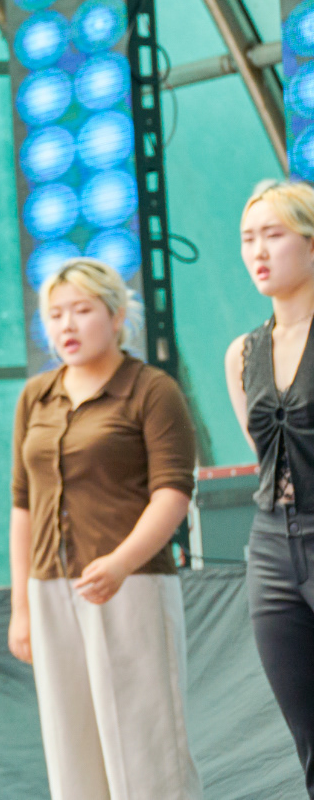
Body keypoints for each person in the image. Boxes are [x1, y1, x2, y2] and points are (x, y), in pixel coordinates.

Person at [6, 257, 201, 800]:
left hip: (132, 584)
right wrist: (22, 606)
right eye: (54, 314)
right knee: (71, 753)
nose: (66, 325)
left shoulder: (152, 390)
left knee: (147, 751)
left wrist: (120, 563)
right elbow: (22, 505)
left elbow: (173, 492)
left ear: (116, 317)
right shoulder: (35, 396)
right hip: (49, 588)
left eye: (82, 310)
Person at [226, 179, 314, 798]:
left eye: (273, 235)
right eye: (247, 238)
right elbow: (263, 456)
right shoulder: (242, 353)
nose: (258, 251)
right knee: (307, 733)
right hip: (272, 547)